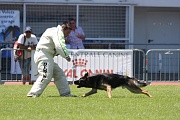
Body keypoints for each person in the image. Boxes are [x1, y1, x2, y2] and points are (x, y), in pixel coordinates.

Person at [27, 22, 76, 98]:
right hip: (44, 55)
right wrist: (66, 56)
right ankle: (33, 94)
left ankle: (65, 93)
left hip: (45, 55)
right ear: (64, 29)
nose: (67, 35)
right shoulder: (58, 32)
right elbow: (59, 45)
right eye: (68, 32)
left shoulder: (52, 30)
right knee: (45, 75)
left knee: (59, 73)